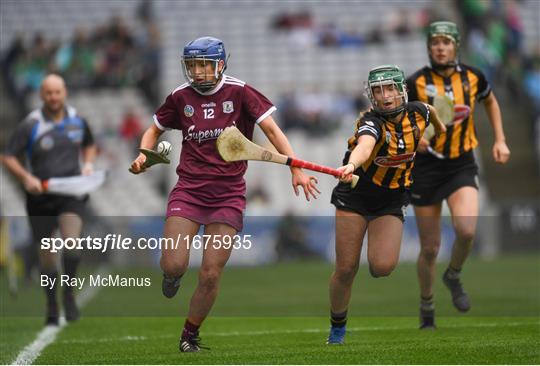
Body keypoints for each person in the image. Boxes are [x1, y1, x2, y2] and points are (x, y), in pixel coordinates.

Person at [129, 36, 319, 352]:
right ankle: (172, 276)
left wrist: (295, 168)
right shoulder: (180, 97)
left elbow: (272, 131)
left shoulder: (240, 92)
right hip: (188, 192)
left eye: (204, 65)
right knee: (174, 264)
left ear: (220, 64)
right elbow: (154, 129)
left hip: (228, 196)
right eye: (193, 66)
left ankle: (189, 335)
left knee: (210, 274)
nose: (199, 72)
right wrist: (144, 154)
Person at [327, 65, 446, 344]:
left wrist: (434, 135)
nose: (385, 96)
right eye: (378, 91)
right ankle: (337, 328)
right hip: (355, 195)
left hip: (392, 197)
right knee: (346, 269)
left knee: (382, 267)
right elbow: (365, 146)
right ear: (372, 96)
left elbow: (435, 114)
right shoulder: (371, 122)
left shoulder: (419, 112)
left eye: (390, 88)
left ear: (401, 90)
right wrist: (352, 164)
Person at [406, 21, 511, 329]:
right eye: (435, 42)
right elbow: (402, 119)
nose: (440, 47)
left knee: (466, 231)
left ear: (455, 46)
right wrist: (416, 136)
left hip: (460, 163)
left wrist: (500, 139)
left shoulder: (473, 76)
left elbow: (491, 101)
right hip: (426, 168)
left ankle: (452, 275)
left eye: (446, 42)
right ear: (429, 47)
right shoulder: (415, 83)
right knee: (429, 247)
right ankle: (427, 306)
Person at [3, 73, 97, 325]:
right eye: (48, 93)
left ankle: (68, 295)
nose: (53, 97)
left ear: (64, 92)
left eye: (57, 92)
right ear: (41, 95)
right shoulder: (31, 124)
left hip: (71, 194)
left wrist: (87, 164)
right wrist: (25, 177)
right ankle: (51, 303)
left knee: (72, 244)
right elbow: (8, 155)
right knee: (47, 256)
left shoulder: (78, 120)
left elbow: (89, 144)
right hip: (41, 198)